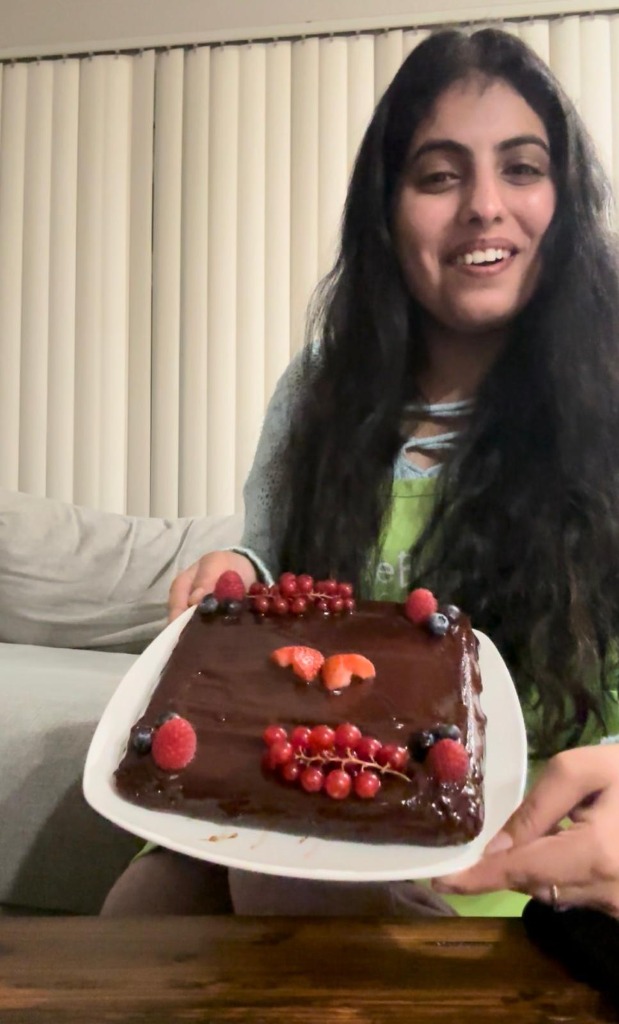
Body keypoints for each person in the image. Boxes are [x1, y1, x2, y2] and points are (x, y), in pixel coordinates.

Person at [102, 26, 619, 918]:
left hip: (517, 836)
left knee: (281, 894)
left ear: (563, 197)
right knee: (141, 908)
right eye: (439, 175)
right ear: (385, 212)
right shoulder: (319, 385)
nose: (484, 206)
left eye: (521, 168)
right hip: (317, 777)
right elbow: (266, 560)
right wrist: (236, 577)